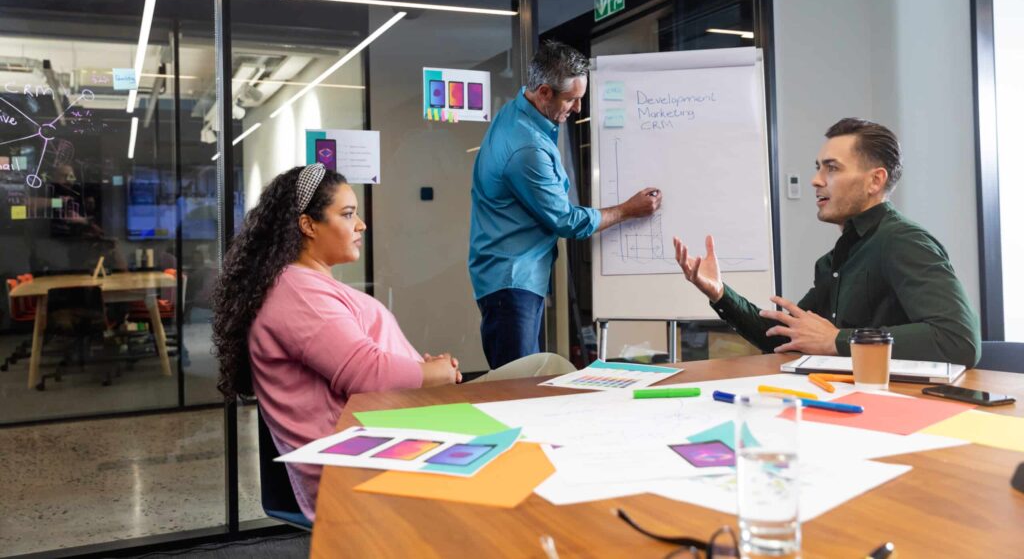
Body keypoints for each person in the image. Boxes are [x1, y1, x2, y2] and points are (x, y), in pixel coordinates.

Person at [212, 164, 571, 522]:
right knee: (549, 372)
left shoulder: (303, 285)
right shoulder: (298, 293)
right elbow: (367, 374)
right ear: (307, 225)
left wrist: (422, 370)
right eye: (348, 214)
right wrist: (433, 373)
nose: (361, 225)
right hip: (371, 453)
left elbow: (364, 360)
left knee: (547, 377)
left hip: (404, 419)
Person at [673, 118, 981, 368]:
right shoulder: (834, 261)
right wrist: (719, 293)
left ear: (875, 180)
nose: (816, 180)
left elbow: (958, 340)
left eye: (831, 168)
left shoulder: (902, 240)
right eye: (818, 167)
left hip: (902, 414)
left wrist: (838, 340)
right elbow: (782, 339)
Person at [469, 41, 663, 369]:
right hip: (512, 284)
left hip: (507, 276)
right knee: (516, 391)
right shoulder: (527, 148)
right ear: (544, 92)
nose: (576, 109)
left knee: (521, 381)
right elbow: (566, 220)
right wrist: (627, 210)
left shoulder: (518, 110)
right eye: (571, 99)